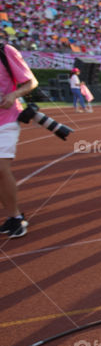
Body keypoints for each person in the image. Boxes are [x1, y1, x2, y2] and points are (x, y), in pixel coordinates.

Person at [0, 42, 38, 238]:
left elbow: (31, 82)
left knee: (0, 167)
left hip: (6, 118)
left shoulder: (5, 51)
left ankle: (15, 217)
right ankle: (11, 215)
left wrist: (13, 94)